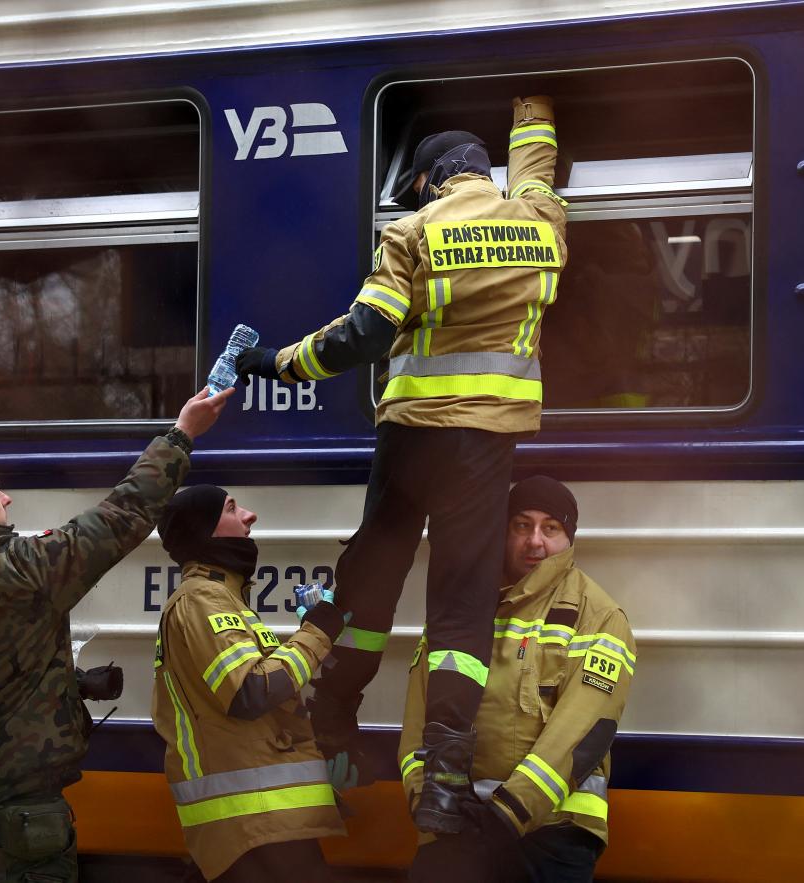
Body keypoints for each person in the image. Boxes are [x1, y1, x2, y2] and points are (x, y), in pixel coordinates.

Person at [235, 96, 569, 833]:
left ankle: (333, 717)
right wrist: (534, 108)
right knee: (461, 605)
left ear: (431, 179)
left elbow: (364, 334)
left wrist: (278, 363)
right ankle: (446, 780)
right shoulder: (542, 221)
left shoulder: (414, 230)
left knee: (372, 576)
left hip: (414, 434)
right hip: (487, 443)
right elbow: (539, 168)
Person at [0, 386, 234, 883]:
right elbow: (121, 514)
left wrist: (55, 683)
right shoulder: (23, 571)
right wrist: (182, 434)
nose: (6, 497)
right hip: (26, 826)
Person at [400, 476, 636, 883]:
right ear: (503, 530)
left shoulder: (599, 617)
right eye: (522, 525)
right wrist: (430, 801)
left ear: (569, 537)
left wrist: (509, 813)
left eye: (551, 528)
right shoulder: (460, 613)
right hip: (455, 829)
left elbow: (582, 734)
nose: (535, 542)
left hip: (553, 834)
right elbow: (418, 719)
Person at [151, 486, 347, 882]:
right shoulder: (203, 599)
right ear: (205, 530)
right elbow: (250, 691)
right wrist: (316, 633)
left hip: (260, 822)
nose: (249, 515)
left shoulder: (222, 597)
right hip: (254, 823)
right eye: (231, 508)